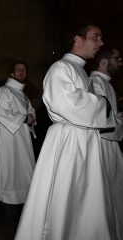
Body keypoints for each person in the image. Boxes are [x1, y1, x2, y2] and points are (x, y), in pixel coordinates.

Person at [15, 24, 116, 240]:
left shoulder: (80, 70)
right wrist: (103, 104)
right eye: (96, 37)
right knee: (65, 198)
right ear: (78, 40)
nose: (101, 43)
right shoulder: (61, 68)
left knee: (83, 201)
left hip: (84, 140)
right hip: (69, 141)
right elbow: (66, 103)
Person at [0, 61, 36, 225]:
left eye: (24, 70)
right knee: (10, 172)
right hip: (9, 140)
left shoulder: (23, 95)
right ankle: (9, 212)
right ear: (11, 73)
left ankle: (24, 210)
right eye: (18, 70)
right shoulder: (3, 91)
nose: (21, 72)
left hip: (23, 139)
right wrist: (24, 118)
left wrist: (31, 118)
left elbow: (31, 112)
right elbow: (1, 113)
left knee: (24, 171)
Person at [90, 46, 123, 239]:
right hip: (101, 145)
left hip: (109, 144)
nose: (120, 62)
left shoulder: (106, 83)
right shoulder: (95, 83)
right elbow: (102, 119)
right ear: (104, 61)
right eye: (117, 58)